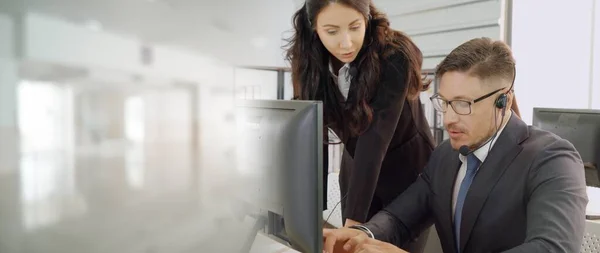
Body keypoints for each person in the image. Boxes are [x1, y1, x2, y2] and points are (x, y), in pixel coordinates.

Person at [322, 37, 588, 253]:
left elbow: (553, 248)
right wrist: (360, 235)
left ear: (503, 102)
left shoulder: (552, 159)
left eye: (463, 104)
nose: (449, 118)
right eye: (445, 103)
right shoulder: (445, 157)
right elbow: (399, 217)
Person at [285, 0, 436, 244]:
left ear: (367, 18)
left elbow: (374, 136)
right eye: (332, 31)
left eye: (354, 27)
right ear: (314, 28)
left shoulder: (394, 55)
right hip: (357, 166)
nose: (346, 43)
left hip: (407, 172)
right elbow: (314, 129)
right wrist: (311, 208)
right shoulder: (310, 63)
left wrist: (354, 222)